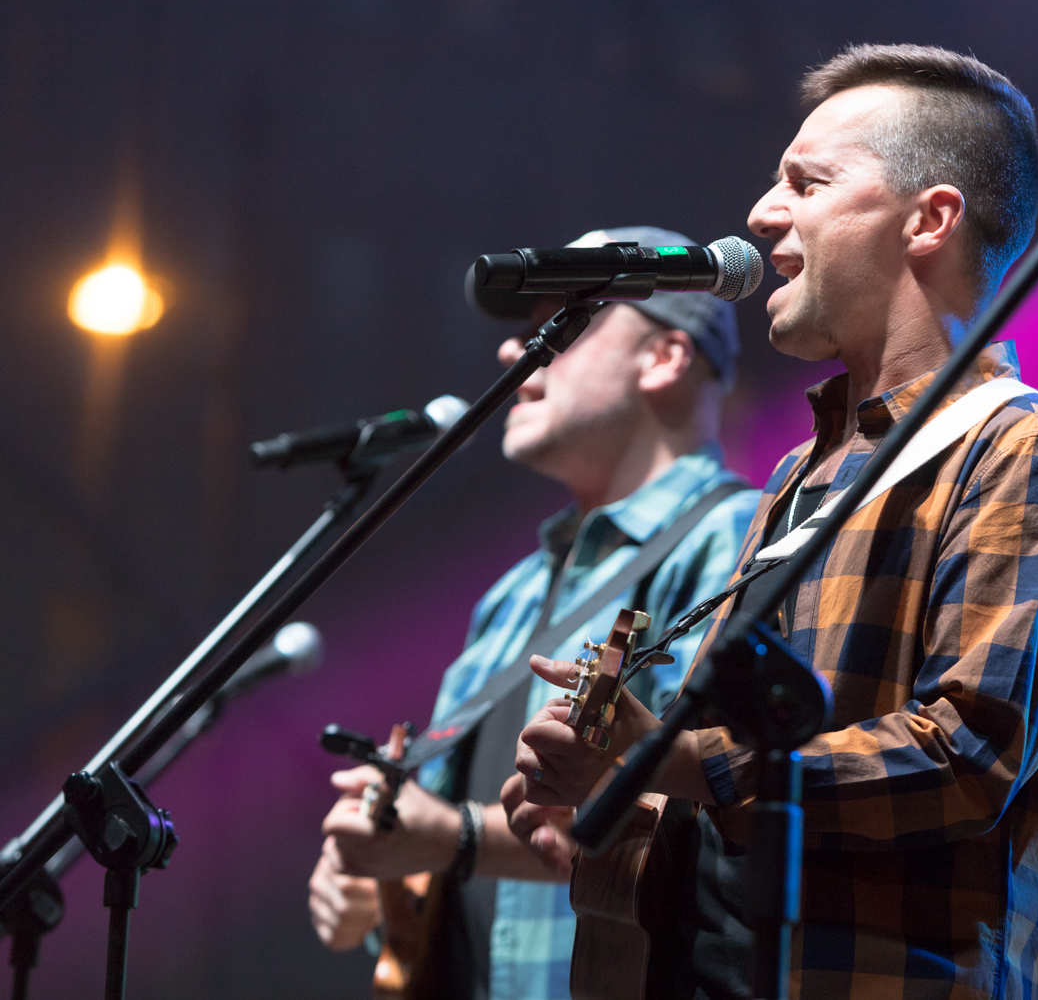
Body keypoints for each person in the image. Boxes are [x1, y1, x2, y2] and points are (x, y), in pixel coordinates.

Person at [506, 46, 1038, 999]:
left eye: (806, 182)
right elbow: (743, 793)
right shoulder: (803, 472)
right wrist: (618, 806)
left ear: (930, 219)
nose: (763, 215)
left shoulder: (1029, 451)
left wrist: (670, 757)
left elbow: (965, 757)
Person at [306, 226, 761, 1000]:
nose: (516, 353)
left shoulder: (739, 541)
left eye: (566, 324)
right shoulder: (512, 593)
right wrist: (385, 877)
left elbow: (702, 815)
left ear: (665, 356)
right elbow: (448, 849)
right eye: (524, 331)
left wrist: (453, 838)